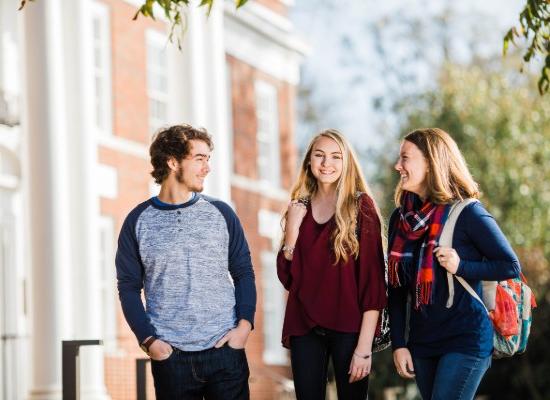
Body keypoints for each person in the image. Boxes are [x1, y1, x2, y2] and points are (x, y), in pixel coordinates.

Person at [115, 124, 256, 400]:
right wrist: (149, 341)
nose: (207, 167)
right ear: (172, 162)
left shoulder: (222, 213)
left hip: (225, 352)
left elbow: (243, 273)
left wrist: (244, 327)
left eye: (208, 159)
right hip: (171, 358)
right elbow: (128, 287)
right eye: (199, 159)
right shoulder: (137, 221)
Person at [388, 128, 521, 400]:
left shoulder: (468, 212)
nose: (397, 166)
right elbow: (397, 289)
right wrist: (399, 344)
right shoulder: (401, 220)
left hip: (465, 337)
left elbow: (510, 265)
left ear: (430, 162)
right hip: (422, 343)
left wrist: (462, 266)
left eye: (405, 158)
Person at [277, 129, 387, 400]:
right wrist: (291, 232)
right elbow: (288, 278)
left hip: (349, 328)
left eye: (336, 156)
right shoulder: (298, 208)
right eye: (320, 155)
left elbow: (373, 284)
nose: (327, 163)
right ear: (309, 162)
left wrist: (364, 349)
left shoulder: (361, 207)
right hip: (304, 326)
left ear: (346, 162)